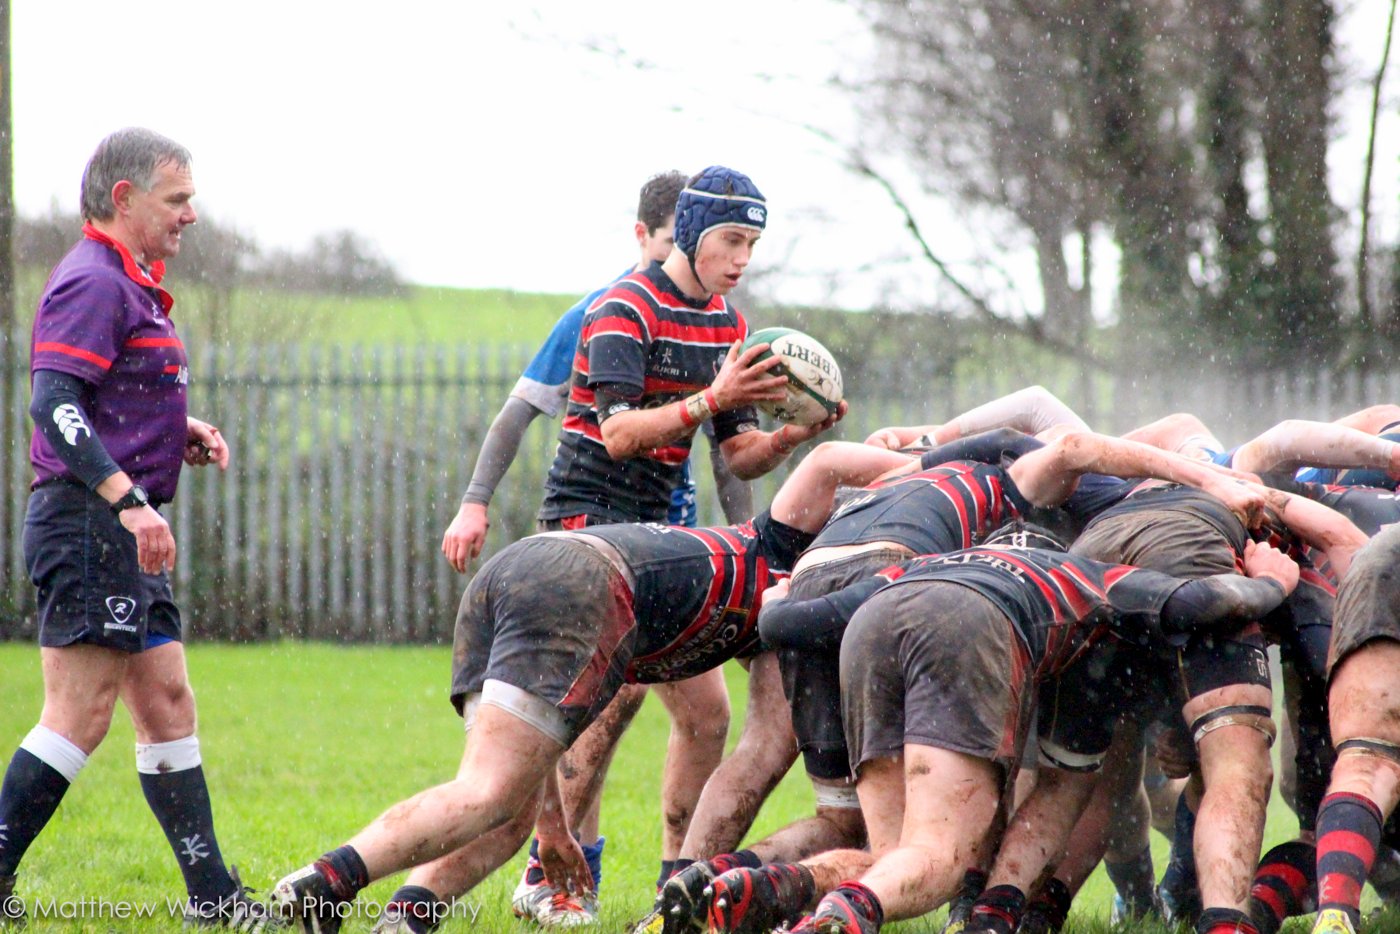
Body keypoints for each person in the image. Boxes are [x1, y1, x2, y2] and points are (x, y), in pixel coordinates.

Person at [269, 441, 908, 934]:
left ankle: (406, 915)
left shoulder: (775, 618)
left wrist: (565, 831)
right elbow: (827, 460)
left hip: (522, 568)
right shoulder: (782, 548)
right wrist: (930, 459)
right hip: (583, 578)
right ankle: (322, 883)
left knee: (509, 810)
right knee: (487, 791)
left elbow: (757, 756)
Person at [436, 171, 754, 925]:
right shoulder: (608, 311)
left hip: (672, 543)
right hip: (595, 532)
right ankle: (555, 874)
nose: (736, 258)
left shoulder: (719, 322)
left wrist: (749, 540)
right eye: (719, 240)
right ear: (652, 237)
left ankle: (677, 889)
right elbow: (520, 415)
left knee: (706, 714)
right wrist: (475, 501)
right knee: (600, 710)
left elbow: (727, 454)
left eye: (747, 242)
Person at [0, 128, 271, 930]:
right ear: (125, 198)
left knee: (167, 703)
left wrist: (174, 427)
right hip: (89, 523)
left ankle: (214, 900)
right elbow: (53, 402)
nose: (191, 215)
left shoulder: (129, 283)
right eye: (177, 199)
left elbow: (106, 394)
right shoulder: (93, 281)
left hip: (117, 527)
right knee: (80, 713)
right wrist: (127, 500)